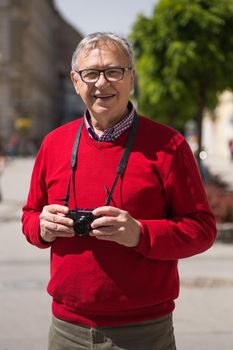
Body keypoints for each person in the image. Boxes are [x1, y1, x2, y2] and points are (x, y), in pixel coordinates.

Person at [22, 32, 217, 350]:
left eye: (114, 71)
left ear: (131, 77)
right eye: (91, 73)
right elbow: (30, 215)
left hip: (142, 332)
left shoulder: (170, 146)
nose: (102, 83)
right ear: (75, 80)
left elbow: (203, 229)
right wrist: (41, 228)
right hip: (66, 329)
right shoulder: (53, 143)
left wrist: (140, 233)